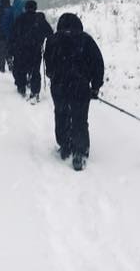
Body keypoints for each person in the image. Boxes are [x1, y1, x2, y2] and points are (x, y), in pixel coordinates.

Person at [43, 12, 104, 171]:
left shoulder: (53, 40)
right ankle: (80, 152)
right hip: (81, 86)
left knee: (61, 114)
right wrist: (95, 86)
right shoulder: (86, 40)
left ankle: (65, 145)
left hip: (59, 85)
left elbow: (48, 63)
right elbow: (98, 63)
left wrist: (52, 74)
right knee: (80, 118)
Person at [11, 0, 53, 101]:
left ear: (25, 8)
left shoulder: (20, 19)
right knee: (35, 71)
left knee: (21, 68)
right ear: (35, 8)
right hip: (35, 49)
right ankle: (35, 91)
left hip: (21, 49)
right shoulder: (40, 19)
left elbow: (13, 34)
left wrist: (11, 48)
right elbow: (50, 33)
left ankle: (21, 87)